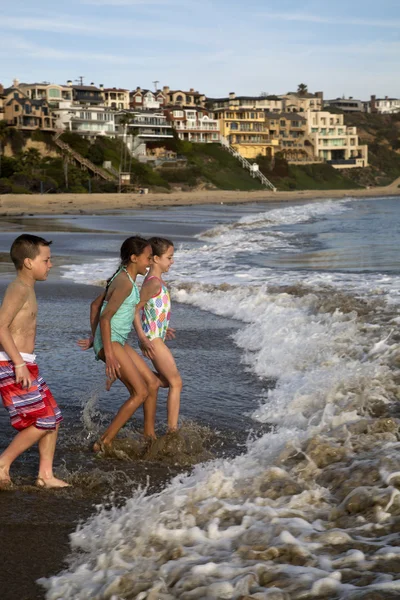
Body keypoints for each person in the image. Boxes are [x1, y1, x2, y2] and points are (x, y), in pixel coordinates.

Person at [79, 236, 160, 451]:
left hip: (116, 341)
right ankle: (103, 442)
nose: (150, 262)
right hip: (112, 343)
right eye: (147, 258)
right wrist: (108, 352)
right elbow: (105, 317)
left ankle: (149, 436)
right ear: (133, 258)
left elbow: (95, 305)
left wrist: (93, 338)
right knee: (140, 392)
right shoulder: (124, 283)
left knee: (152, 384)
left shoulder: (123, 277)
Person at [0, 234, 69, 489]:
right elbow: (1, 327)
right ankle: (3, 462)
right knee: (43, 420)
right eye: (46, 260)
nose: (50, 265)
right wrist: (18, 364)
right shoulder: (18, 288)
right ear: (28, 262)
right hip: (12, 364)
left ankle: (45, 475)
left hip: (26, 363)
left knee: (54, 416)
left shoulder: (27, 288)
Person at [134, 237, 182, 432]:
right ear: (155, 258)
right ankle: (172, 430)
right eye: (169, 257)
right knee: (176, 383)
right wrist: (143, 337)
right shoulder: (152, 283)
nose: (172, 261)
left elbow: (152, 310)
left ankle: (137, 375)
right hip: (152, 340)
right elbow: (134, 310)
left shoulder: (157, 282)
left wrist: (163, 326)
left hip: (156, 336)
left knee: (165, 381)